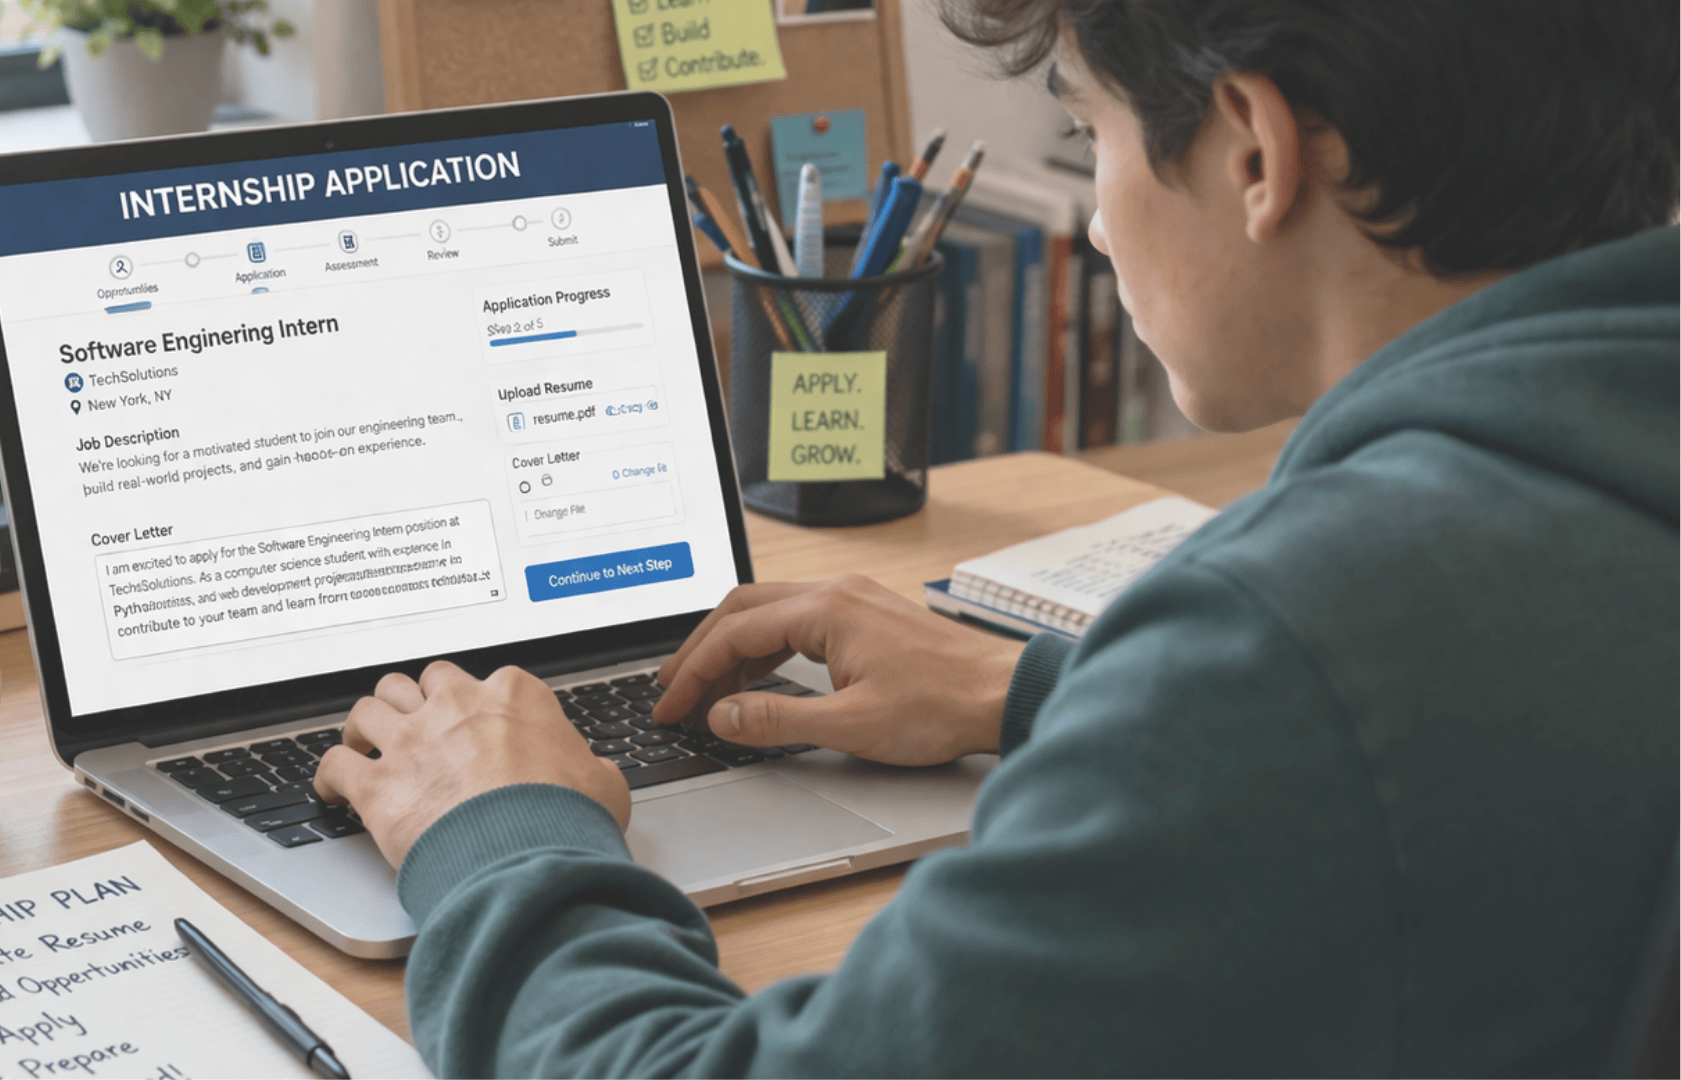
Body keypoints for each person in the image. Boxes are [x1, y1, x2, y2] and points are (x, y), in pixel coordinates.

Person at [314, 0, 1679, 1072]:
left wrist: (499, 838)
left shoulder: (1297, 637)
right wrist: (1051, 692)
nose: (1093, 223)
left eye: (1097, 144)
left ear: (1255, 152)